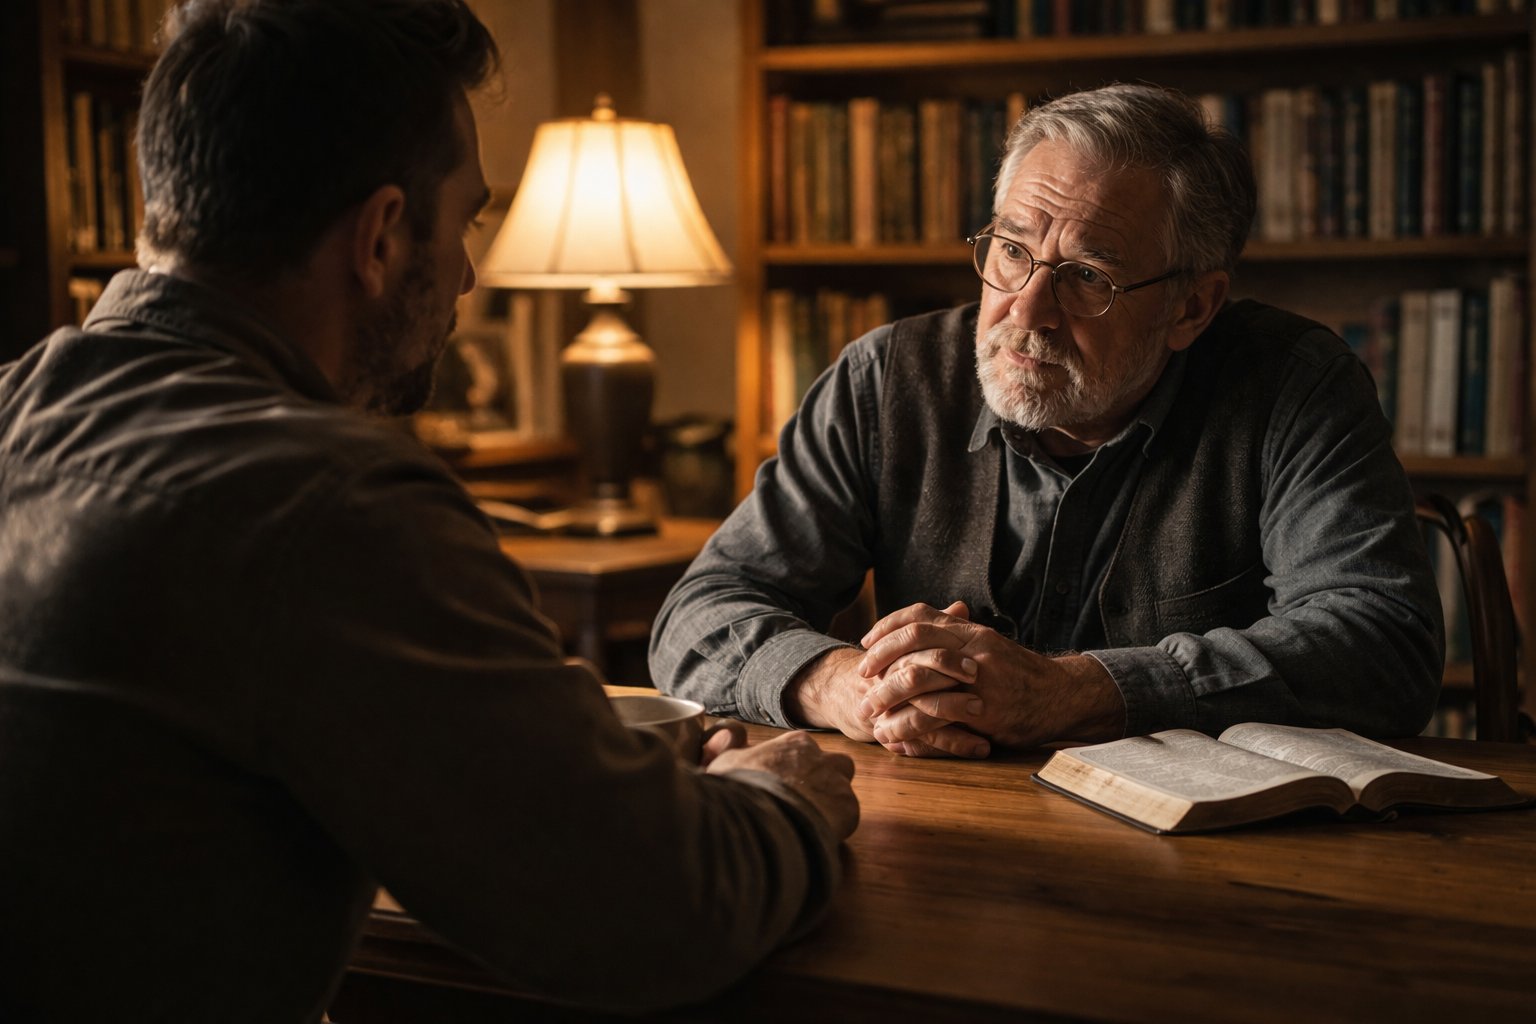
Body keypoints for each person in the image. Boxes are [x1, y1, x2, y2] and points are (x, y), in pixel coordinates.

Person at [0, 2, 857, 1021]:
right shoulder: (330, 505)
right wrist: (785, 800)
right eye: (466, 224)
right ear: (379, 238)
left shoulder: (19, 407)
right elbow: (652, 913)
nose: (469, 273)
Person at [651, 83, 1443, 759]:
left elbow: (1383, 645)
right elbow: (700, 614)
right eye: (1011, 250)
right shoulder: (886, 381)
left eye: (1087, 276)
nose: (1027, 310)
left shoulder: (1294, 386)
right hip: (941, 826)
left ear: (1191, 308)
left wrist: (1075, 692)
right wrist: (847, 687)